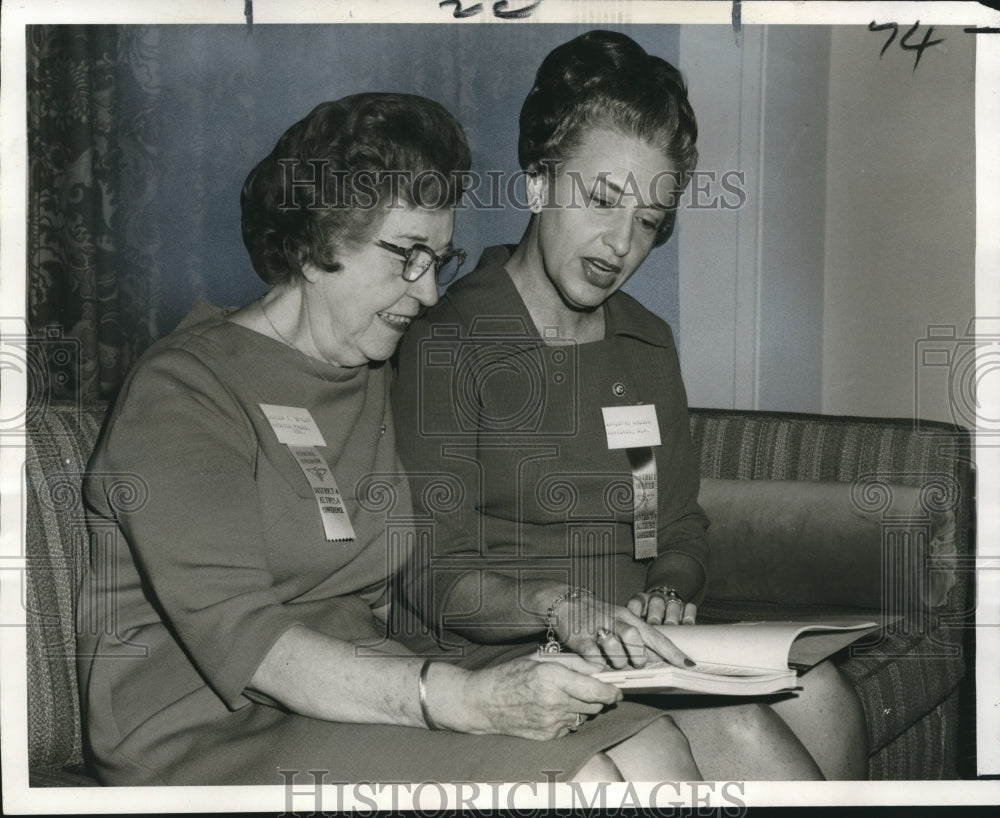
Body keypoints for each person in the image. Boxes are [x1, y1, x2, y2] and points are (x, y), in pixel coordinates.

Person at [76, 92, 705, 786]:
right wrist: (462, 698)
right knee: (586, 780)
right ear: (315, 246)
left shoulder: (371, 372)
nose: (430, 291)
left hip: (350, 700)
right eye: (407, 255)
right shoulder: (186, 389)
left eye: (439, 259)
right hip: (207, 736)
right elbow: (254, 644)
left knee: (655, 748)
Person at [392, 32, 868, 780]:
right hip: (504, 647)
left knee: (826, 695)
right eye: (603, 199)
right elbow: (428, 574)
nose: (620, 244)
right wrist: (559, 607)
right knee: (742, 734)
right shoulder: (448, 339)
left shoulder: (646, 343)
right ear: (539, 182)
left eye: (647, 222)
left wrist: (670, 591)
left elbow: (677, 528)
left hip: (635, 650)